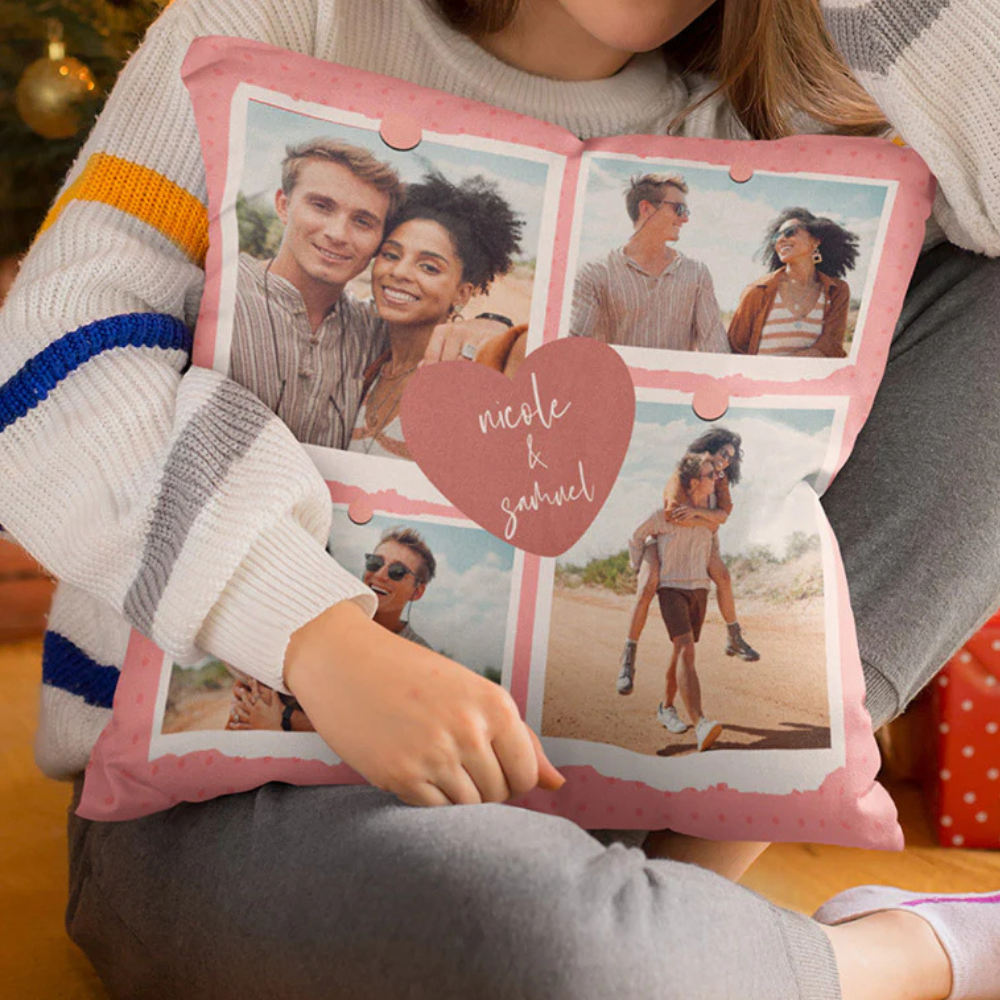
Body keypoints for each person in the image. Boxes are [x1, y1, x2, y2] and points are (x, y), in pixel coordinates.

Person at [3, 1, 1000, 998]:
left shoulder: (776, 103)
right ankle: (883, 960)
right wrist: (318, 639)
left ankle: (675, 891)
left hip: (607, 793)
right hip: (233, 811)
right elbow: (50, 358)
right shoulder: (282, 15)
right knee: (539, 947)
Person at [229, 138, 403, 448]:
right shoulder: (218, 290)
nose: (337, 234)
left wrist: (489, 321)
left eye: (362, 221)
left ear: (380, 240)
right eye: (321, 206)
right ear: (283, 205)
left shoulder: (378, 334)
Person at [350, 171, 524, 459]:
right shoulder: (369, 359)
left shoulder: (468, 381)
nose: (399, 272)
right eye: (391, 255)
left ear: (462, 294)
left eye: (429, 267)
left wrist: (499, 328)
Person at [228, 527, 437, 731]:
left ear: (417, 591)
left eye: (397, 572)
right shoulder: (326, 610)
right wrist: (251, 691)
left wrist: (284, 718)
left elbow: (380, 731)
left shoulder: (420, 658)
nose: (380, 575)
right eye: (375, 563)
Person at [619, 427, 757, 698]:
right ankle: (628, 656)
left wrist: (698, 513)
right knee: (647, 587)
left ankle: (734, 638)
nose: (726, 460)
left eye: (731, 457)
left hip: (698, 540)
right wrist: (709, 516)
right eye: (723, 453)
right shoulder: (684, 475)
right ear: (709, 448)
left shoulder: (720, 479)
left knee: (724, 578)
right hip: (661, 538)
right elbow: (671, 514)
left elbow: (725, 513)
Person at [570, 172, 730, 352]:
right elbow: (573, 346)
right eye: (679, 209)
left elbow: (716, 348)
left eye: (686, 211)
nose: (685, 219)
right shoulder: (595, 273)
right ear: (646, 209)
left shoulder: (697, 273)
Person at [645, 453, 725, 751]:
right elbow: (637, 537)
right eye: (708, 475)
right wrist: (644, 573)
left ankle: (666, 707)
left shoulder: (712, 512)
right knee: (686, 649)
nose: (714, 480)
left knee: (681, 649)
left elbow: (715, 535)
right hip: (671, 588)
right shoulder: (667, 513)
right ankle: (701, 723)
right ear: (693, 482)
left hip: (699, 589)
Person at [728, 208, 860, 357]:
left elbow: (831, 346)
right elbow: (735, 349)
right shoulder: (757, 291)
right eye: (776, 237)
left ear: (815, 241)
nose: (781, 239)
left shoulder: (837, 291)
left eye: (790, 232)